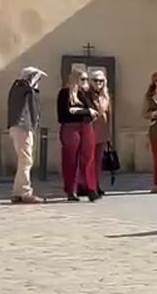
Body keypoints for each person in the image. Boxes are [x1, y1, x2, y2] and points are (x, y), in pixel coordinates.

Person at [55, 69, 98, 201]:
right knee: (70, 159)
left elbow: (93, 111)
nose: (85, 82)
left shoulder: (84, 94)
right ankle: (70, 190)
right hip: (70, 128)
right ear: (75, 79)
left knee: (88, 157)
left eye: (86, 79)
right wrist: (85, 111)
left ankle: (90, 188)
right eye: (83, 79)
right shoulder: (64, 94)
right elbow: (64, 114)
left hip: (86, 127)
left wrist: (78, 110)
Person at [6, 67, 46, 204]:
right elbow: (30, 99)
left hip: (22, 126)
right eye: (37, 78)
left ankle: (18, 191)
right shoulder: (23, 88)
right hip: (22, 126)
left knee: (24, 160)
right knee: (26, 160)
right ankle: (25, 192)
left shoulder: (20, 88)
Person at [86, 69, 113, 197]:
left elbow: (108, 116)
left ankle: (96, 185)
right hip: (90, 131)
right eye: (96, 80)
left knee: (98, 162)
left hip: (101, 132)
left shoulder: (105, 97)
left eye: (101, 81)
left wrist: (108, 135)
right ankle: (89, 186)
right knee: (89, 161)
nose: (98, 83)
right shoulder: (87, 95)